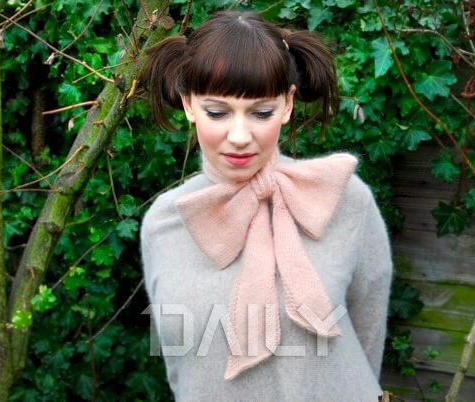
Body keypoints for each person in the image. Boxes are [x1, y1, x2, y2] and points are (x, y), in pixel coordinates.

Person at [139, 10, 392, 401]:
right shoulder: (165, 222)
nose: (240, 136)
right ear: (188, 104)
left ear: (287, 104)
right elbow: (181, 366)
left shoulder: (344, 201)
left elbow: (368, 337)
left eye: (261, 112)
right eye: (217, 112)